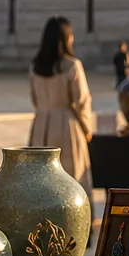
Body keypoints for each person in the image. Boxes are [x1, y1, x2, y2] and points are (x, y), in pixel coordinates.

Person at [28, 17, 93, 195]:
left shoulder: (35, 66)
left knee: (41, 181)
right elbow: (82, 100)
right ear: (65, 38)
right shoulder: (72, 65)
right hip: (67, 125)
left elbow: (34, 98)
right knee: (71, 180)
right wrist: (87, 127)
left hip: (41, 126)